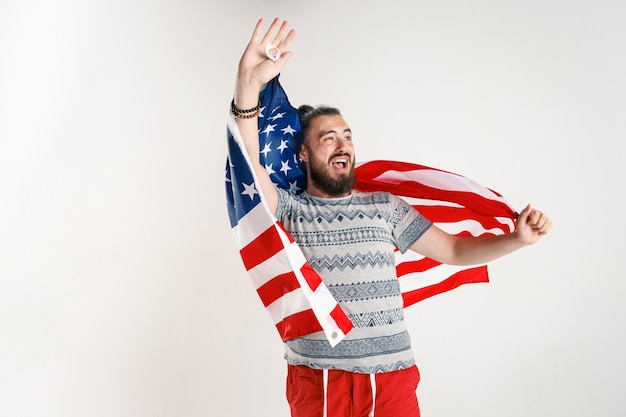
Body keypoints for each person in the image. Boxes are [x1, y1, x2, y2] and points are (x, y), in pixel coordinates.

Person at [230, 18, 552, 417]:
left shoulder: (384, 206)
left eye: (346, 135)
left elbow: (452, 249)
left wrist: (517, 240)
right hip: (321, 381)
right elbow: (246, 163)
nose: (342, 143)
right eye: (327, 138)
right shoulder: (290, 208)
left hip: (393, 381)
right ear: (303, 155)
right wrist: (248, 82)